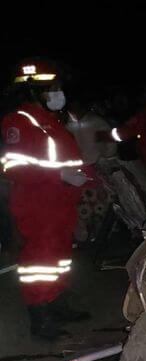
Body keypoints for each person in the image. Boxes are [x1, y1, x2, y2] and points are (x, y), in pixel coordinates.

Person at [1, 60, 90, 340]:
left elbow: (68, 158)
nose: (58, 93)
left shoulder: (52, 122)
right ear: (34, 92)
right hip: (38, 203)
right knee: (40, 260)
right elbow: (14, 167)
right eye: (52, 89)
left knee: (60, 258)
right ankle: (39, 317)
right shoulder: (19, 122)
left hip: (61, 202)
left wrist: (86, 177)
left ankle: (56, 302)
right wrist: (60, 176)